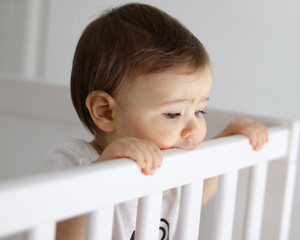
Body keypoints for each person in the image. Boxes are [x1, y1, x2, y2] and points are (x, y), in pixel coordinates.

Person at [46, 3, 268, 240]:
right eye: (173, 114)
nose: (194, 128)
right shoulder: (75, 163)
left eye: (199, 111)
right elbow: (60, 234)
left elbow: (196, 195)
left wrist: (224, 145)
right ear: (106, 113)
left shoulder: (166, 166)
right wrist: (102, 173)